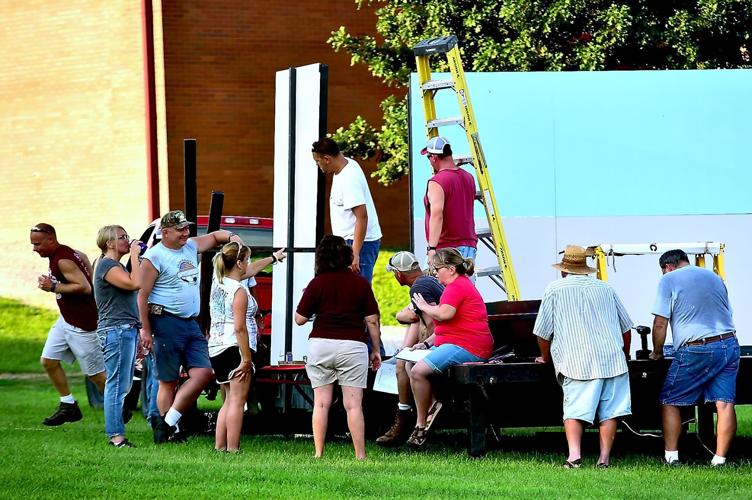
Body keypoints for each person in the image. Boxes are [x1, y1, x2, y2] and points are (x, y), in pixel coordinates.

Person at [137, 210, 245, 444]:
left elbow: (216, 237)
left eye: (187, 228)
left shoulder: (190, 246)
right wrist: (145, 329)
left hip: (191, 323)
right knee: (168, 380)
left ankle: (166, 424)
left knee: (204, 373)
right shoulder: (154, 257)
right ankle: (170, 429)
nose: (186, 233)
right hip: (165, 320)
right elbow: (142, 295)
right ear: (165, 232)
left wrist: (234, 238)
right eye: (180, 229)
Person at [533, 245, 633, 468]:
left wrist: (545, 357)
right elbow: (626, 328)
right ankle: (604, 459)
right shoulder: (606, 288)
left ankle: (574, 457)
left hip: (576, 359)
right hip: (612, 359)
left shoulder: (554, 289)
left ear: (563, 269)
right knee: (610, 412)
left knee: (575, 409)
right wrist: (624, 354)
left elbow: (542, 332)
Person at [294, 235, 382, 459]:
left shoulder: (317, 283)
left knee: (321, 403)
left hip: (321, 345)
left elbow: (299, 319)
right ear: (346, 255)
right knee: (353, 405)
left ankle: (318, 453)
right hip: (353, 347)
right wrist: (375, 350)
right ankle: (360, 455)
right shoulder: (360, 282)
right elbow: (372, 319)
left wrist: (310, 299)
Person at [649, 249, 739, 467]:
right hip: (728, 343)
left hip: (697, 347)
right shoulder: (715, 277)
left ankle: (672, 457)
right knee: (725, 403)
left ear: (667, 267)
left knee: (670, 400)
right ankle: (719, 459)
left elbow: (660, 323)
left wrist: (657, 352)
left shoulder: (669, 279)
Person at [409, 247, 493, 447]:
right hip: (457, 342)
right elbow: (449, 326)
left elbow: (444, 314)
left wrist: (425, 307)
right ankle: (433, 403)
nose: (435, 273)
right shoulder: (455, 286)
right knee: (407, 364)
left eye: (438, 268)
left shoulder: (457, 287)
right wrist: (426, 343)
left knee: (417, 371)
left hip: (468, 345)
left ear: (451, 269)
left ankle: (422, 423)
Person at [209, 243, 286, 452]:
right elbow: (240, 328)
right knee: (237, 400)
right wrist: (246, 358)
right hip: (235, 347)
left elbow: (250, 270)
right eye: (248, 260)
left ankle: (220, 445)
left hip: (217, 346)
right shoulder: (239, 292)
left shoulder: (219, 281)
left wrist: (273, 258)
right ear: (240, 263)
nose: (250, 264)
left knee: (227, 400)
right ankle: (233, 447)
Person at [30, 223, 105, 426]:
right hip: (66, 320)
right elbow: (91, 274)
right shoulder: (74, 253)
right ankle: (68, 405)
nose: (34, 249)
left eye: (38, 244)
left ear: (51, 240)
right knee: (48, 361)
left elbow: (85, 287)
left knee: (97, 376)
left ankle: (118, 407)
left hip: (83, 324)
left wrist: (53, 286)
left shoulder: (63, 260)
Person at [376, 251, 444, 447]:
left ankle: (420, 419)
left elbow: (434, 324)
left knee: (407, 365)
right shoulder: (425, 283)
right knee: (403, 362)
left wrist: (426, 345)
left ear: (398, 274)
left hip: (441, 343)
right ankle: (411, 417)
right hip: (443, 340)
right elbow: (415, 317)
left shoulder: (419, 287)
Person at [92, 225, 143, 448]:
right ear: (109, 243)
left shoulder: (114, 265)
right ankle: (116, 437)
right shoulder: (107, 265)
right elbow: (135, 283)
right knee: (117, 385)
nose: (128, 240)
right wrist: (135, 254)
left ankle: (116, 433)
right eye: (122, 237)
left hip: (124, 329)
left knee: (122, 385)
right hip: (116, 330)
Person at [311, 138, 382, 282]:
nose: (318, 165)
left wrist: (354, 253)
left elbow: (362, 217)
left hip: (359, 243)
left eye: (317, 161)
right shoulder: (344, 165)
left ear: (327, 159)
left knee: (356, 292)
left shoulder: (349, 179)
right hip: (348, 242)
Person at [421, 137, 477, 260]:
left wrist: (431, 249)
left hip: (446, 249)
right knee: (464, 280)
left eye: (428, 157)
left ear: (434, 158)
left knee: (429, 280)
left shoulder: (437, 181)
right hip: (469, 246)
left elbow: (437, 215)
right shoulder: (468, 177)